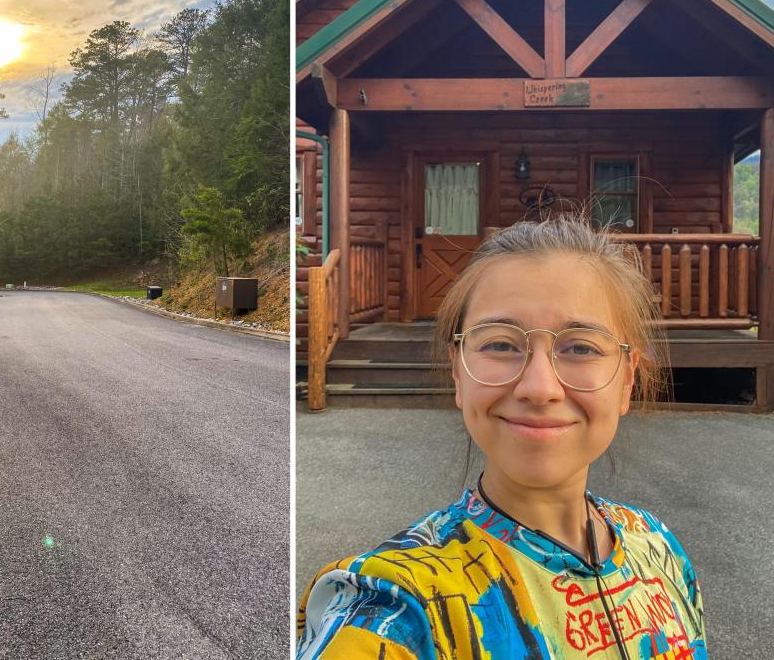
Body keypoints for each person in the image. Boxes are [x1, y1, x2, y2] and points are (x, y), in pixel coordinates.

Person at [296, 217, 706, 660]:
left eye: (581, 347)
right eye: (500, 344)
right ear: (457, 371)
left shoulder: (659, 547)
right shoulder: (400, 606)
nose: (539, 387)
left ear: (627, 380)